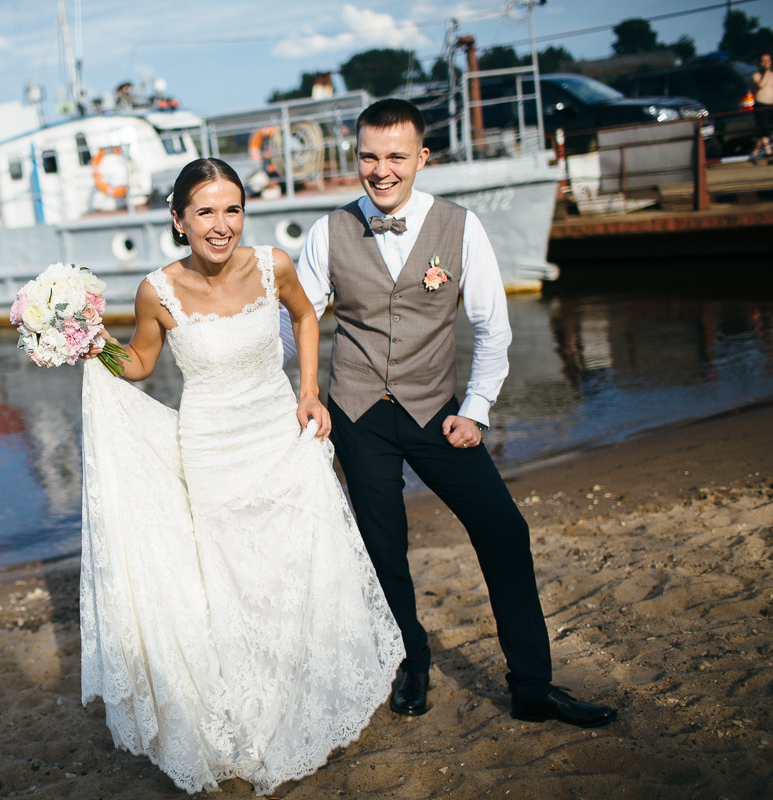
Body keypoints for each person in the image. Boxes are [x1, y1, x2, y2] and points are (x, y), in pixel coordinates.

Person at [280, 99, 617, 728]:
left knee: (505, 532)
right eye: (369, 156)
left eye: (396, 157)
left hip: (438, 412)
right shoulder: (328, 233)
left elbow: (493, 329)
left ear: (422, 159)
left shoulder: (461, 227)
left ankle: (532, 686)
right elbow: (293, 322)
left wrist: (478, 410)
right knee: (384, 546)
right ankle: (412, 656)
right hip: (356, 413)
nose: (382, 170)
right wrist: (299, 396)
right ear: (357, 157)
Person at [79, 157, 404, 794]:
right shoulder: (157, 290)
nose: (221, 224)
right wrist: (84, 343)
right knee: (234, 581)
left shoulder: (272, 266)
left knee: (293, 569)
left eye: (232, 209)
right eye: (204, 211)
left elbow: (309, 317)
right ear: (178, 220)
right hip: (211, 452)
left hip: (278, 436)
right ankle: (248, 710)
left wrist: (309, 392)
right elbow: (142, 361)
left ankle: (304, 692)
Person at [750, 53, 773, 165]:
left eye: (768, 61)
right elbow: (760, 86)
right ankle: (769, 155)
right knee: (765, 130)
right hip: (761, 105)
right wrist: (766, 73)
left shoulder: (772, 75)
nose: (766, 63)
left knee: (764, 132)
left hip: (771, 106)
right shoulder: (756, 75)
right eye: (764, 61)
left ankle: (754, 154)